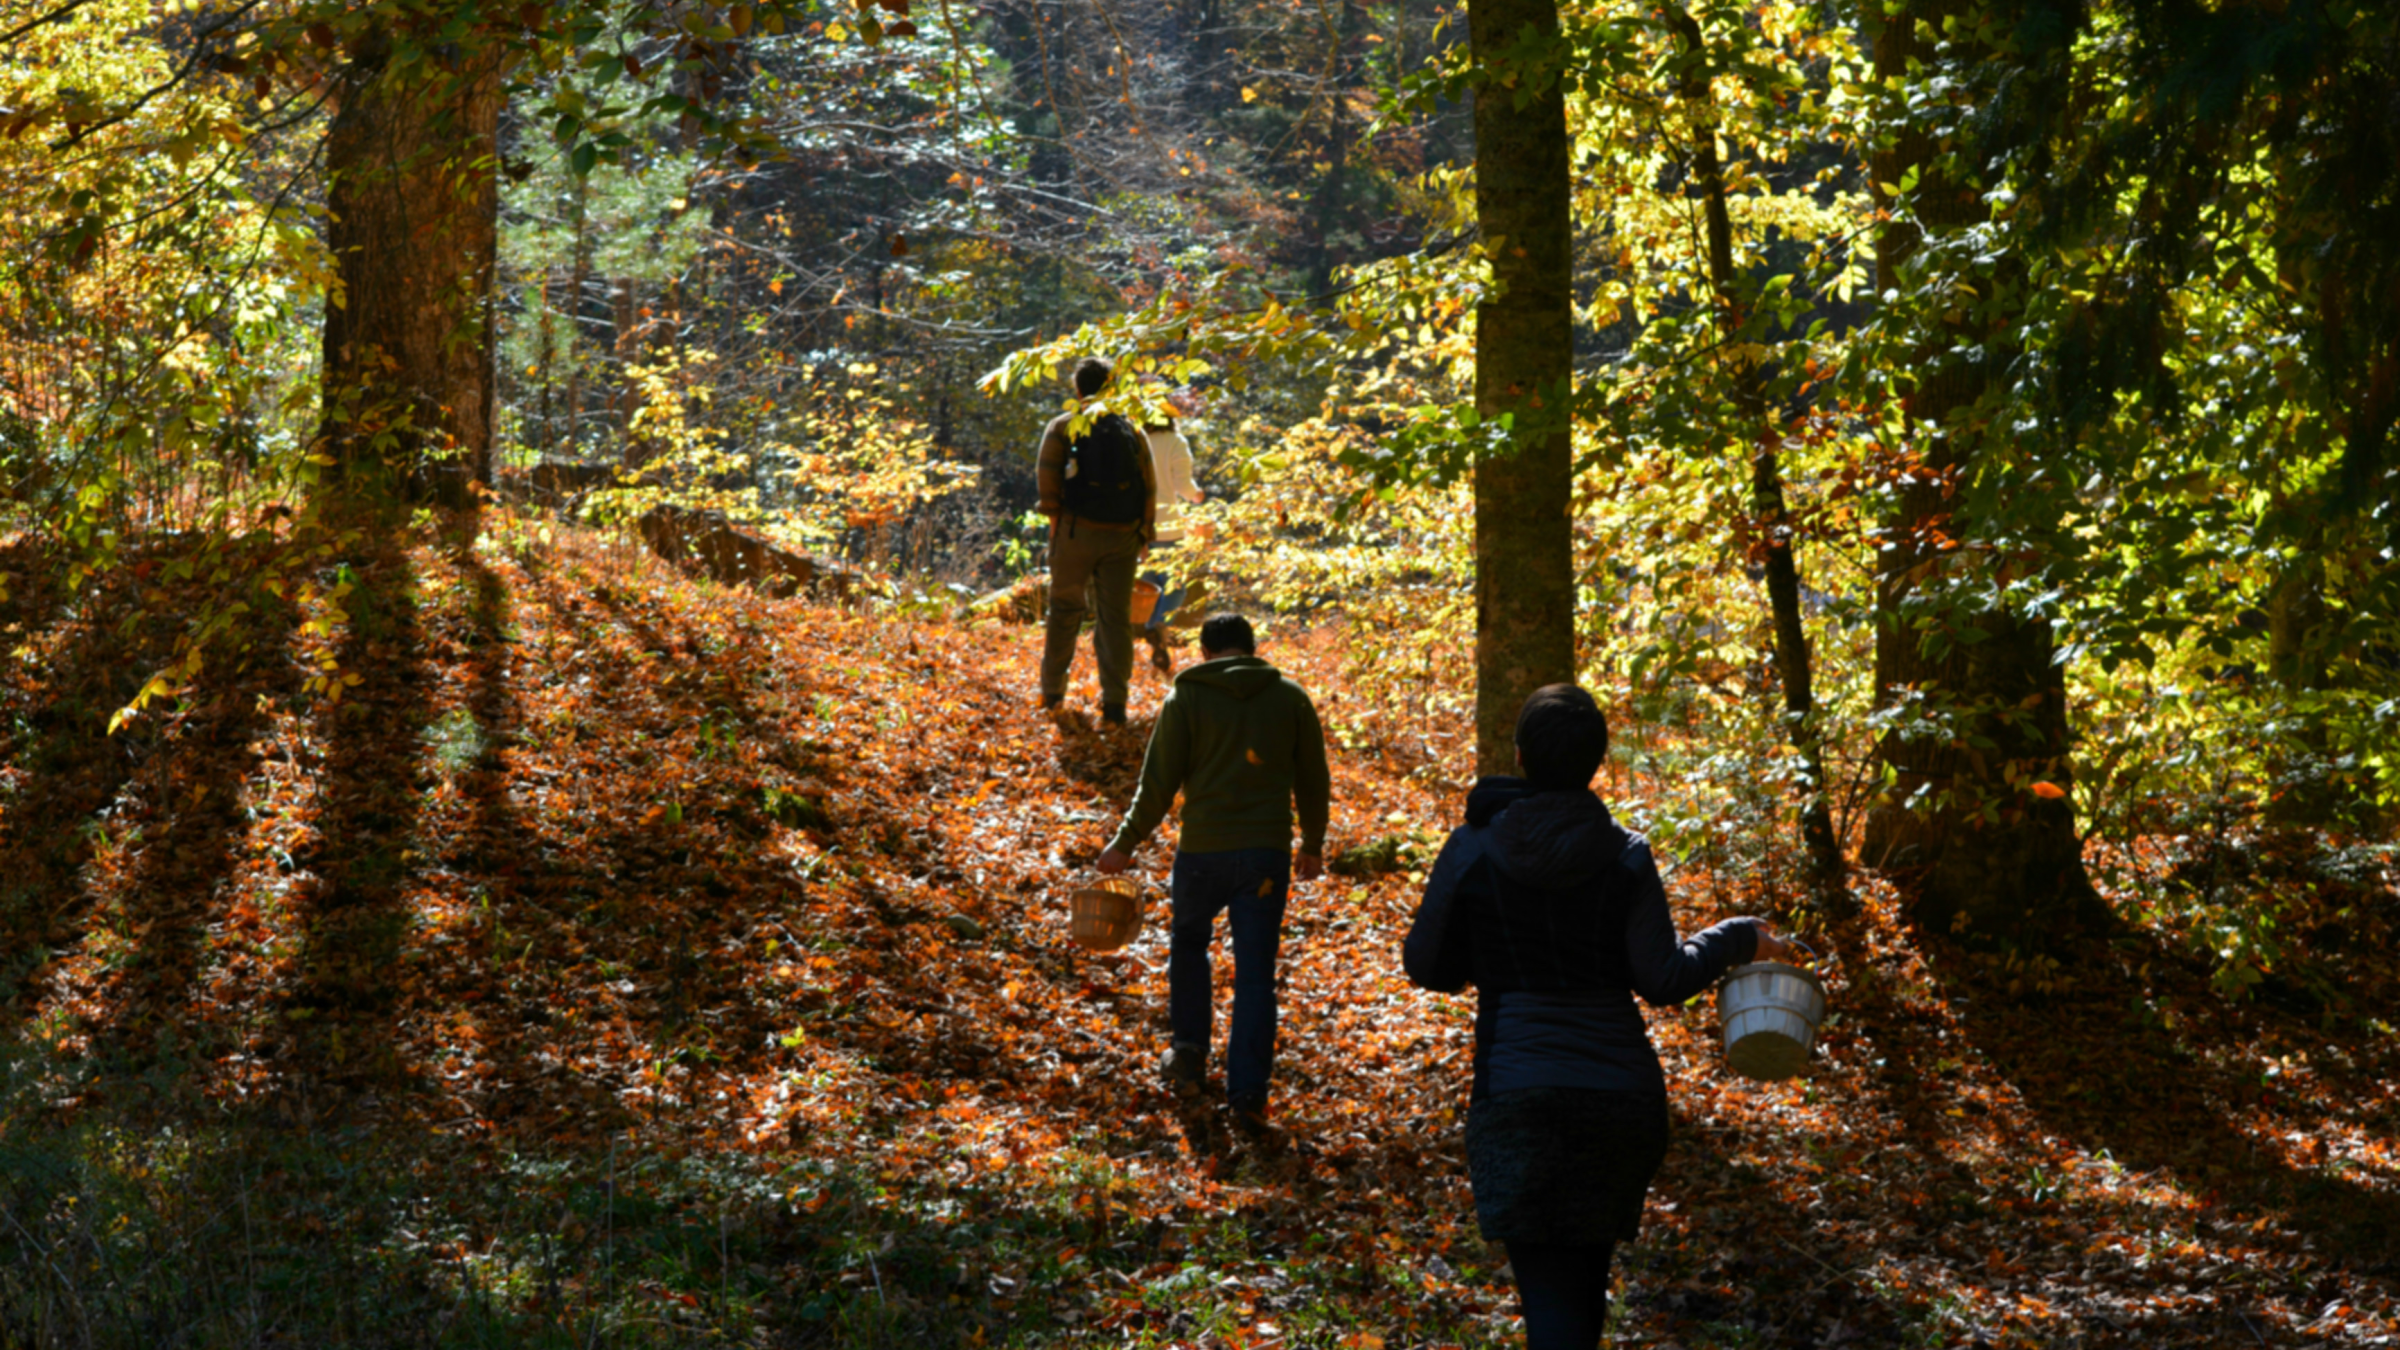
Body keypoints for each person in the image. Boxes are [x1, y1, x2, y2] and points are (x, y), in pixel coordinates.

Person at [1402, 684, 1794, 1350]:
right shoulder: (1626, 855)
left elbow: (1427, 966)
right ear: (1596, 764)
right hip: (1619, 1103)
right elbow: (1662, 978)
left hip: (1518, 1095)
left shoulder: (1472, 849)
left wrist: (1491, 939)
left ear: (1520, 755)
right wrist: (1736, 936)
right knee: (1581, 1293)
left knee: (1552, 1298)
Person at [1096, 612, 1330, 1137]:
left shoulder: (1187, 698)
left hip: (1202, 851)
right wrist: (1312, 843)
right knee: (1254, 974)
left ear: (1204, 653)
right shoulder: (1289, 697)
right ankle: (1247, 1094)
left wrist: (1125, 843)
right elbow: (1313, 779)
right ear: (1251, 649)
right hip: (1266, 855)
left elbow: (1157, 782)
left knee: (1188, 945)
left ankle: (1189, 1055)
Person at [1036, 356, 1156, 724]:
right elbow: (1150, 484)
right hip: (1121, 536)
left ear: (1077, 389)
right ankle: (1116, 703)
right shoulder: (1131, 429)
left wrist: (1055, 525)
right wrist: (1144, 534)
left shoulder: (1063, 425)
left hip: (1075, 531)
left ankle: (1053, 694)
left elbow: (1047, 477)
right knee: (1115, 619)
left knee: (1064, 611)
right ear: (1111, 388)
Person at [1136, 395, 1208, 672]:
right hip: (1169, 527)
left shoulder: (1138, 440)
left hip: (1140, 528)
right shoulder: (1176, 442)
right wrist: (1196, 494)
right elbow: (1182, 483)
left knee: (1149, 584)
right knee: (1176, 585)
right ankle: (1158, 626)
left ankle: (1153, 635)